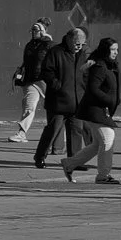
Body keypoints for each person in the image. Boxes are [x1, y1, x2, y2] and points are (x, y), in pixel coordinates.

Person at [61, 36, 120, 184]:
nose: (115, 52)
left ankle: (69, 164)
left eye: (116, 49)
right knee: (108, 139)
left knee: (96, 144)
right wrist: (110, 100)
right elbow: (93, 89)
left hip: (99, 110)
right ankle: (103, 176)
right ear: (105, 50)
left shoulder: (109, 64)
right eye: (112, 49)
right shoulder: (100, 66)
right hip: (95, 110)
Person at [34, 26, 87, 168]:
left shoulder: (82, 54)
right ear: (69, 39)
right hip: (58, 101)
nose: (79, 47)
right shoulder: (56, 52)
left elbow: (85, 74)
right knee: (52, 130)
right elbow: (46, 71)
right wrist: (56, 84)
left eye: (82, 44)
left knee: (76, 131)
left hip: (77, 101)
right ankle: (40, 156)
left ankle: (75, 161)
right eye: (77, 43)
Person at [8, 20, 51, 143]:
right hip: (31, 81)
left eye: (36, 30)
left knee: (55, 107)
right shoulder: (29, 45)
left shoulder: (49, 44)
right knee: (28, 106)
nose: (33, 32)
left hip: (45, 80)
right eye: (32, 30)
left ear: (42, 31)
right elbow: (26, 62)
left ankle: (60, 135)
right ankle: (21, 134)